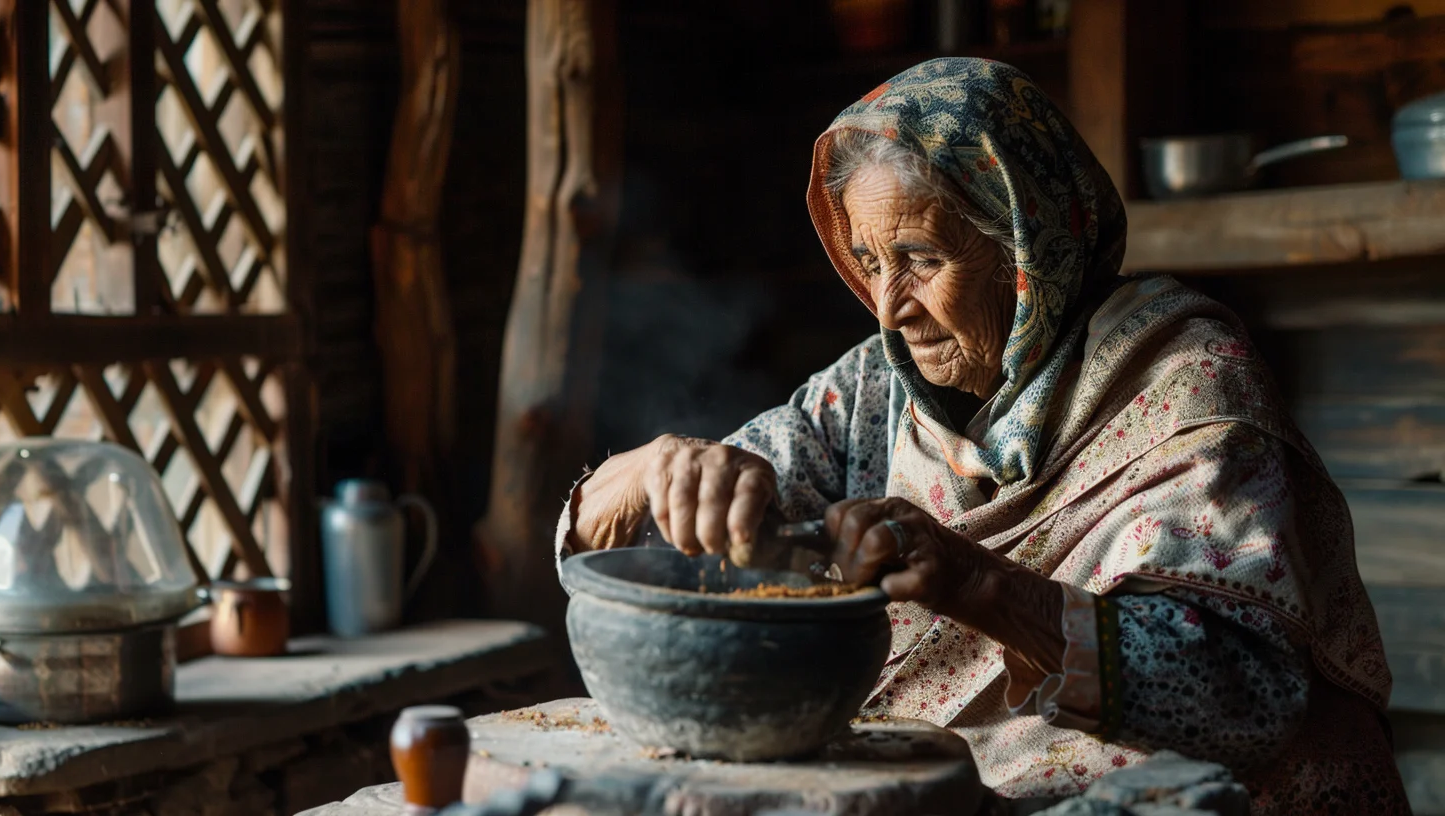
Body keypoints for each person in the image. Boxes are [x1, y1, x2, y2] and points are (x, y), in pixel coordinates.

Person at [552, 59, 1408, 812]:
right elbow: (712, 513)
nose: (890, 307)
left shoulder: (1186, 381)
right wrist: (640, 474)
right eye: (869, 261)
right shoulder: (878, 387)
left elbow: (1243, 696)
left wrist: (977, 583)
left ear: (1027, 248)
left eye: (921, 258)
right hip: (994, 782)